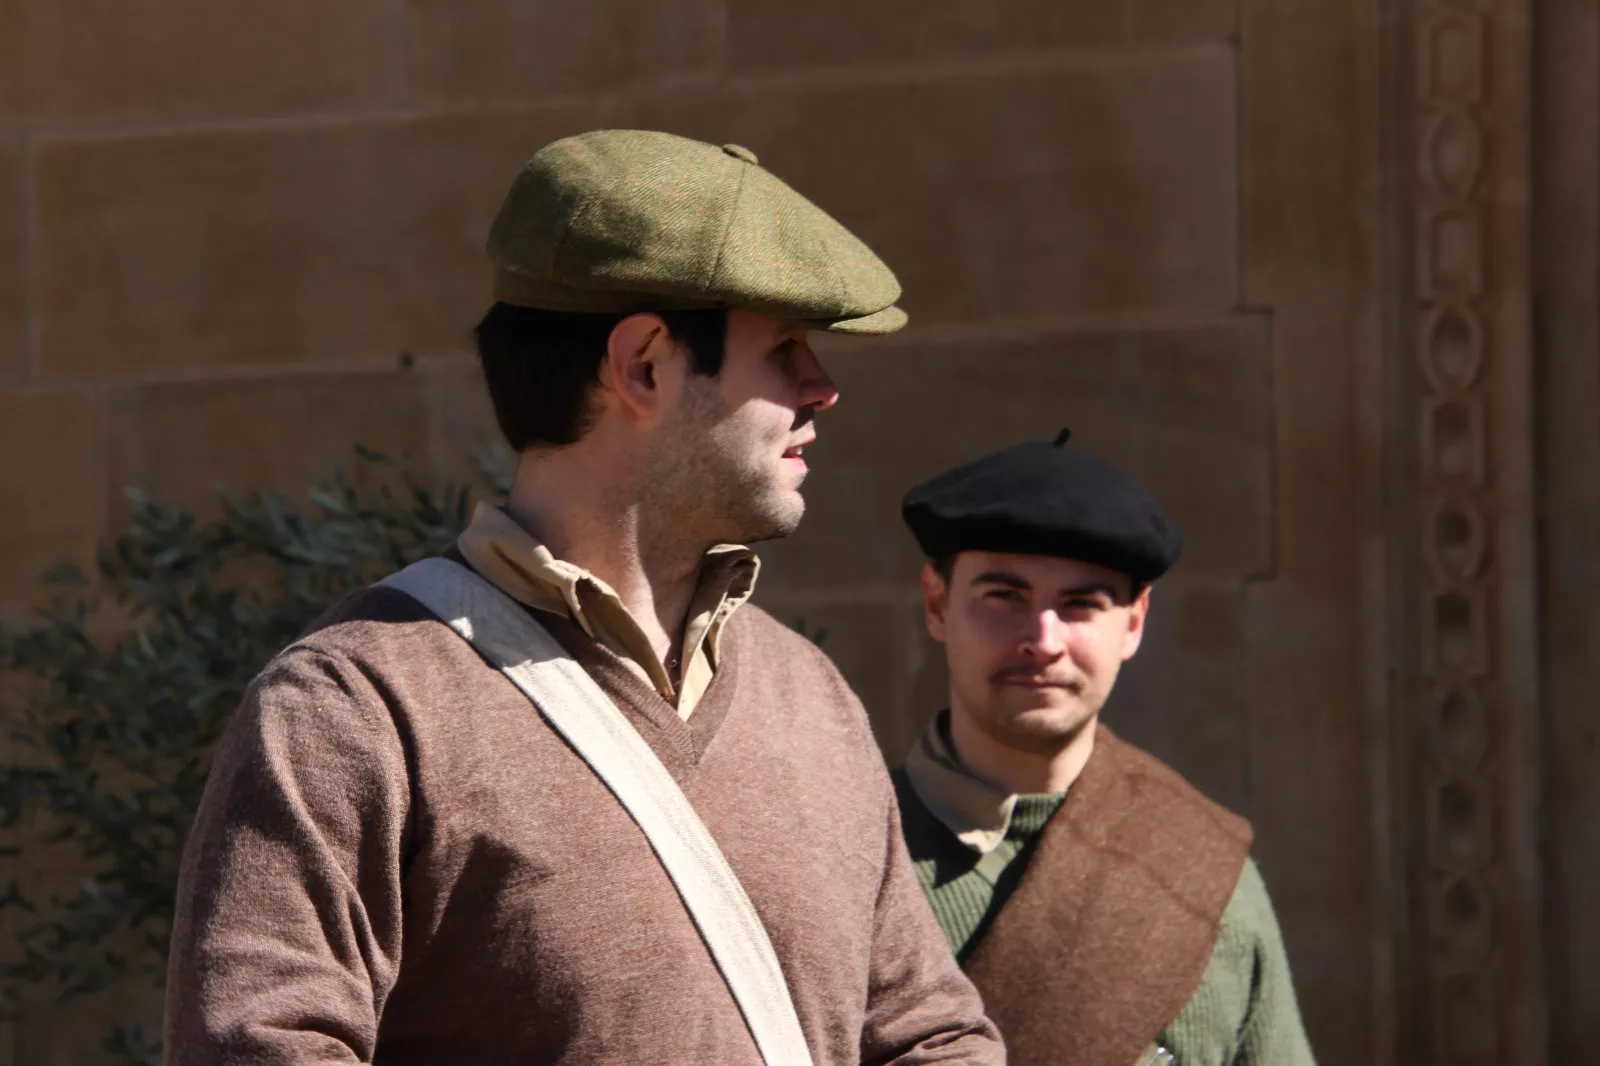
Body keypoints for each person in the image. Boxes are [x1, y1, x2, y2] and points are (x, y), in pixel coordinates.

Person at [165, 129, 1002, 1066]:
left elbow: (929, 1034)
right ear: (644, 362)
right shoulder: (358, 706)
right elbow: (258, 1049)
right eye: (787, 349)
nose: (823, 388)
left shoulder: (811, 696)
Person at [893, 430, 1316, 1066]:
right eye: (1004, 597)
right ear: (936, 603)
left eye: (1081, 604)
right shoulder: (847, 856)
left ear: (1135, 623)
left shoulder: (1203, 869)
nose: (1043, 638)